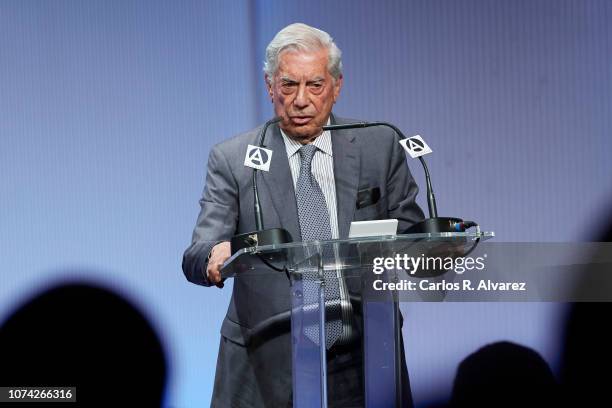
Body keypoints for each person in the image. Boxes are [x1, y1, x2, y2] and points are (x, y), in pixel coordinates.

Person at [182, 23, 424, 407]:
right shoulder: (233, 159)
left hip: (363, 355)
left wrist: (440, 250)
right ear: (270, 86)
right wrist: (213, 256)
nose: (300, 100)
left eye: (314, 85)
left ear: (336, 86)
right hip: (269, 356)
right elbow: (199, 250)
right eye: (289, 85)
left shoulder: (380, 145)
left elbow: (413, 240)